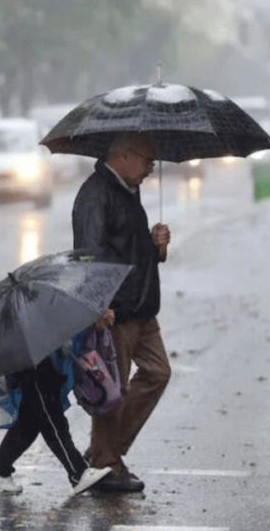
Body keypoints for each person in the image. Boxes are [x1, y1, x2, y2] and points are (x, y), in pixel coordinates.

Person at [71, 132, 171, 493]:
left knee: (158, 373)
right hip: (115, 310)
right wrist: (97, 305)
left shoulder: (128, 189)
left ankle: (103, 452)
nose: (150, 169)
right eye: (148, 160)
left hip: (142, 307)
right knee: (113, 390)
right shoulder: (96, 194)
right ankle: (104, 464)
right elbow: (89, 254)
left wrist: (155, 244)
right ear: (125, 155)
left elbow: (127, 247)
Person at [0, 313, 115, 496]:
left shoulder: (35, 298)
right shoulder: (26, 304)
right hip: (33, 363)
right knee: (52, 420)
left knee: (29, 423)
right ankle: (78, 473)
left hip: (41, 358)